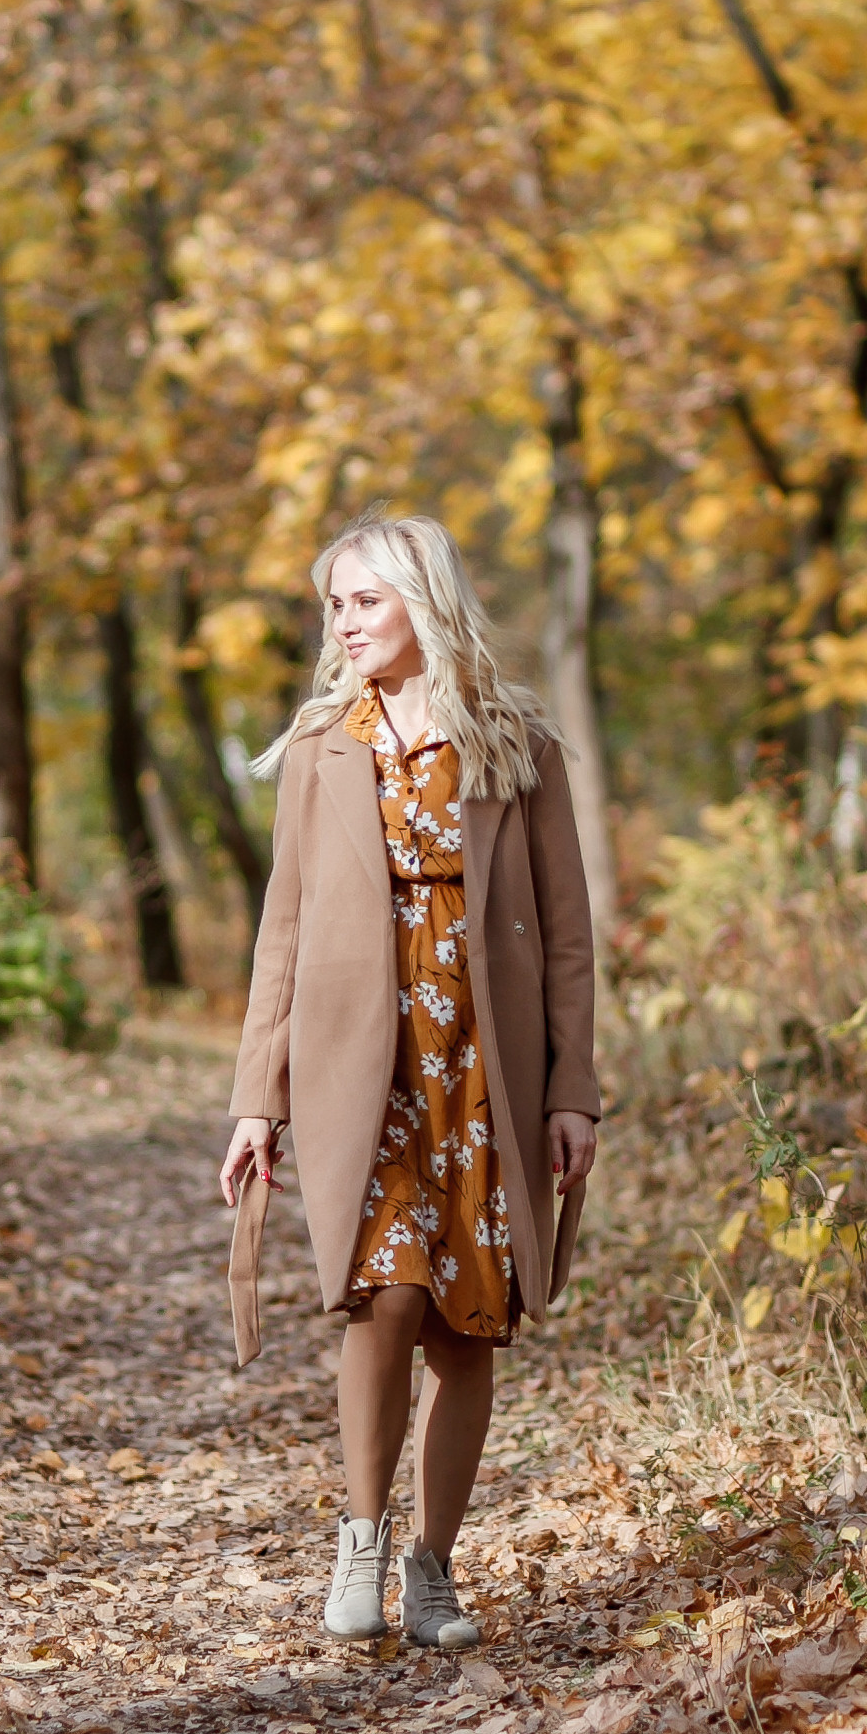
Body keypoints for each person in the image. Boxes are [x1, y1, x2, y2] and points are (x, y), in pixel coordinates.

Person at [219, 513, 601, 1649]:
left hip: (485, 1065)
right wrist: (258, 1096)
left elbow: (570, 933)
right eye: (334, 604)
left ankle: (433, 1563)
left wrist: (571, 1086)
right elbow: (279, 935)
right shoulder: (321, 749)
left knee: (467, 1323)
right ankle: (361, 1539)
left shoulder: (512, 742)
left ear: (422, 602)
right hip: (360, 1068)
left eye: (363, 600)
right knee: (382, 1293)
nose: (343, 622)